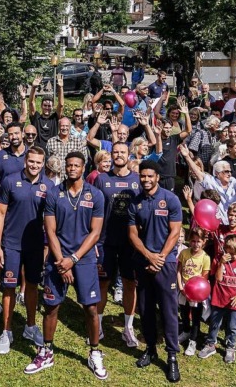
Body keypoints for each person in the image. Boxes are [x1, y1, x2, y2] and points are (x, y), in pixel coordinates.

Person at [25, 152, 106, 379]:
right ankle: (47, 350)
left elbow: (96, 232)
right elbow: (49, 230)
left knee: (90, 308)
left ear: (83, 167)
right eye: (69, 165)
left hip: (84, 259)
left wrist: (74, 259)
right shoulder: (53, 193)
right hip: (57, 260)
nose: (72, 169)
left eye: (76, 165)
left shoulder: (96, 195)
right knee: (51, 306)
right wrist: (63, 262)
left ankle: (94, 351)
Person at [128, 160, 183, 382]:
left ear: (157, 177)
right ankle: (150, 348)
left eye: (150, 176)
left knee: (169, 311)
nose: (146, 180)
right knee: (145, 308)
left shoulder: (171, 199)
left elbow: (176, 231)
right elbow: (132, 234)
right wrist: (148, 256)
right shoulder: (135, 202)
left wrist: (159, 258)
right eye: (143, 176)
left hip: (166, 263)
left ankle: (171, 356)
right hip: (143, 262)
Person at [0, 146, 51, 354]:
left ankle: (30, 326)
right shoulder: (10, 181)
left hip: (35, 245)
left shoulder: (49, 185)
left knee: (33, 286)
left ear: (43, 163)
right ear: (25, 161)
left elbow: (51, 220)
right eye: (31, 161)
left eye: (38, 162)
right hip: (11, 243)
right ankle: (6, 330)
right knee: (9, 287)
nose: (34, 165)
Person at [93, 142, 140, 348]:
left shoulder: (138, 180)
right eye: (115, 152)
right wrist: (93, 240)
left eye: (122, 152)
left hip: (130, 243)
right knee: (103, 283)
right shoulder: (101, 179)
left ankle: (128, 328)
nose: (119, 155)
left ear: (129, 155)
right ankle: (99, 324)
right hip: (105, 242)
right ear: (111, 155)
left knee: (130, 284)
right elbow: (92, 210)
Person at [199, 234, 236, 364]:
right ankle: (211, 344)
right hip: (219, 299)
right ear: (225, 250)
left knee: (233, 326)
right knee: (215, 323)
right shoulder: (218, 260)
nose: (233, 256)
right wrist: (221, 263)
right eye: (230, 253)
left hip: (235, 302)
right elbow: (218, 278)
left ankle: (231, 346)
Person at [177, 228, 210, 357]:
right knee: (184, 313)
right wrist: (180, 286)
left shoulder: (205, 257)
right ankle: (185, 331)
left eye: (198, 241)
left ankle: (193, 341)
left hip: (197, 291)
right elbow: (179, 270)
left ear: (203, 242)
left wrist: (195, 292)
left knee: (196, 317)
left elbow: (205, 277)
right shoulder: (184, 253)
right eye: (193, 241)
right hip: (184, 289)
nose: (195, 244)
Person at [46, 116, 88, 181]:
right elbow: (48, 161)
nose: (64, 128)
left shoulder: (78, 141)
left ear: (70, 127)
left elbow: (84, 159)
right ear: (59, 126)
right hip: (57, 179)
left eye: (66, 126)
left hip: (74, 177)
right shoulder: (51, 141)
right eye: (62, 126)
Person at [28, 74, 64, 148]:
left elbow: (61, 105)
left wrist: (60, 88)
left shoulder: (54, 118)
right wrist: (34, 87)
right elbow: (31, 103)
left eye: (49, 106)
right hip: (38, 150)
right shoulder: (36, 117)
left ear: (52, 107)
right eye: (45, 105)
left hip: (52, 150)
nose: (47, 108)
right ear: (41, 106)